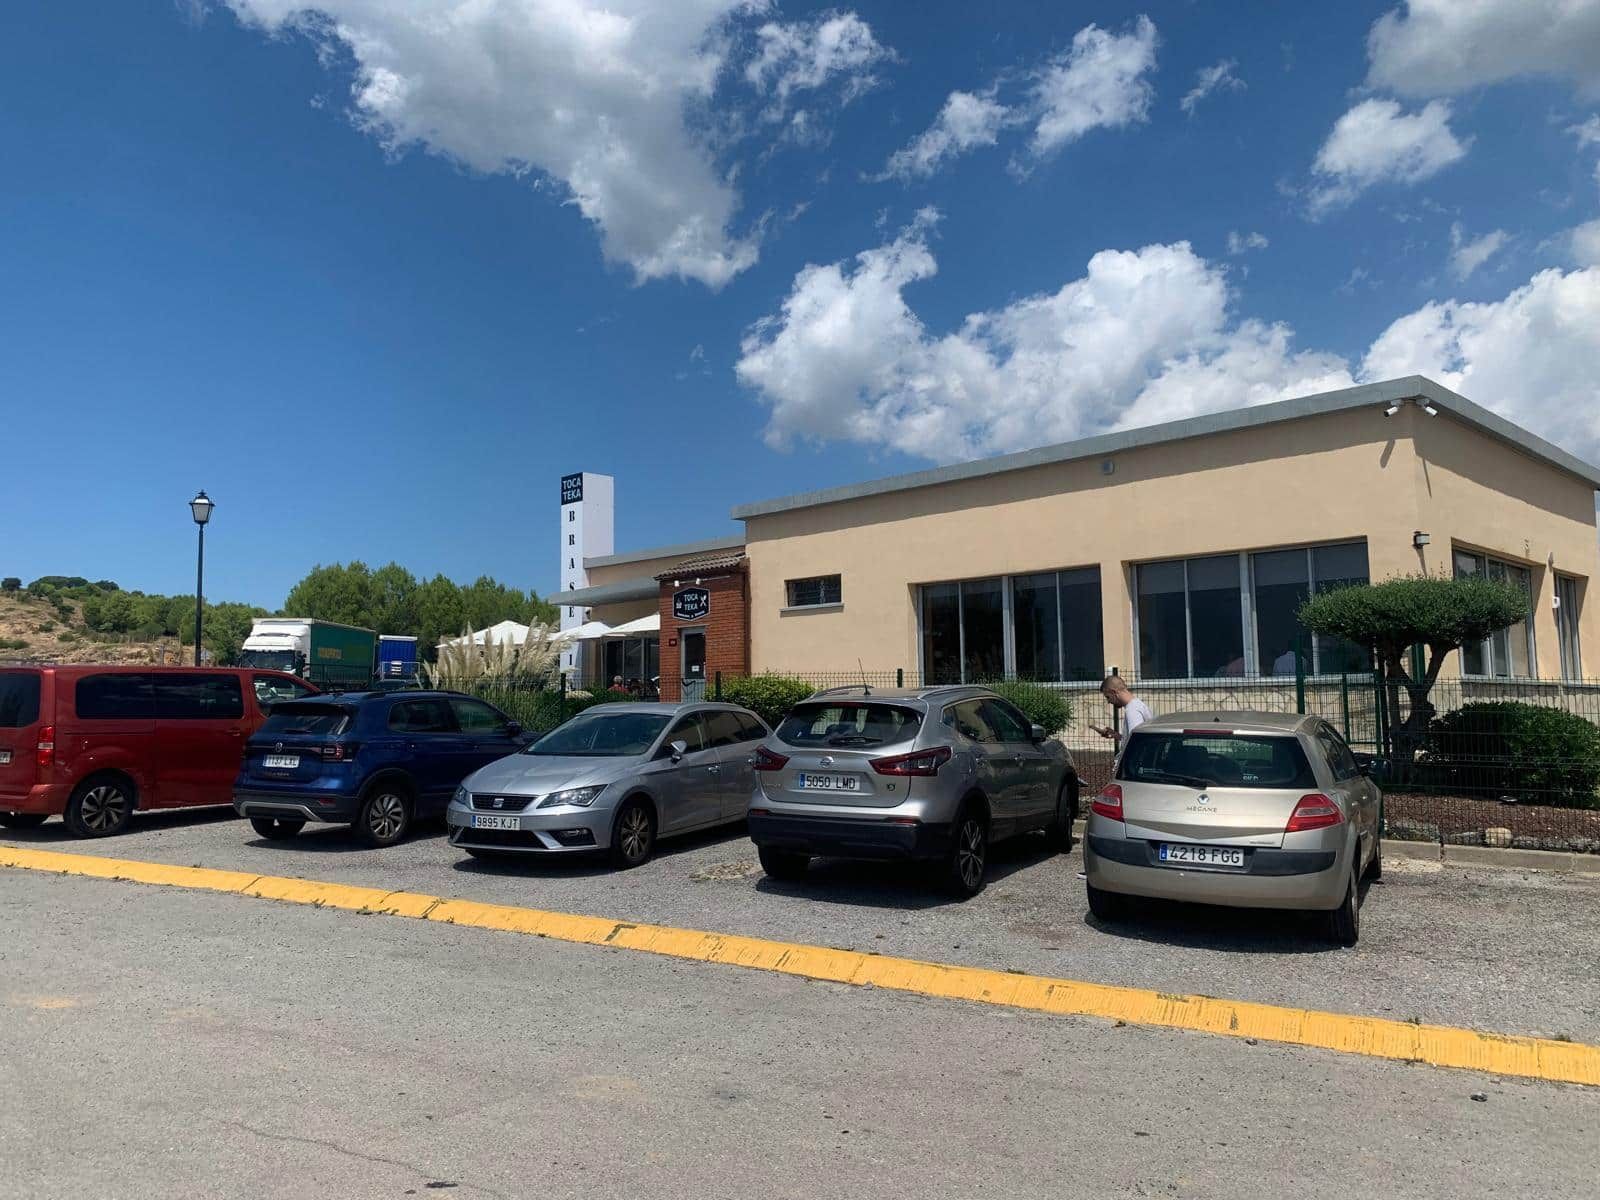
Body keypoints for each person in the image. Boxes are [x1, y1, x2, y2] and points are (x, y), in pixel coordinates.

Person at [1090, 674, 1153, 746]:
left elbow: (1136, 742)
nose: (1108, 701)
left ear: (1113, 692)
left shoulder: (1132, 711)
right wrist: (1117, 735)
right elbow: (1136, 738)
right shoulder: (1137, 704)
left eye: (1108, 697)